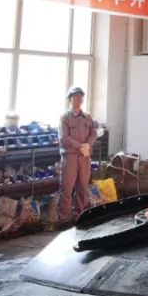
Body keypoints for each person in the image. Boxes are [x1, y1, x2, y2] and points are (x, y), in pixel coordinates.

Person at [58, 85, 97, 225]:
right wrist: (80, 146)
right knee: (67, 189)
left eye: (81, 96)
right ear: (70, 99)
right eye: (76, 96)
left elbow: (93, 132)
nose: (79, 98)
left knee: (82, 188)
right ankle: (64, 219)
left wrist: (88, 145)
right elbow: (64, 138)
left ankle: (79, 216)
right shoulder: (64, 118)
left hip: (84, 157)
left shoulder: (87, 117)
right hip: (70, 157)